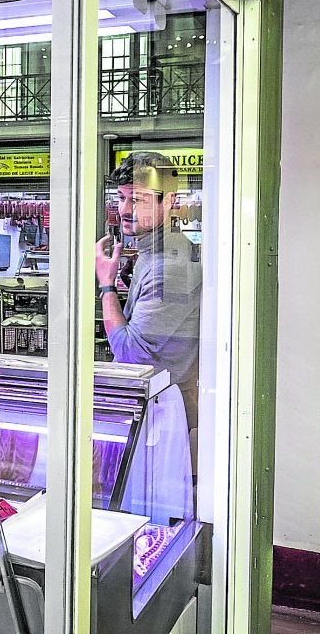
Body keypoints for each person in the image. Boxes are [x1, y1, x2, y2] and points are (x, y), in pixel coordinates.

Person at [95, 152, 203, 431]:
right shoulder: (152, 251)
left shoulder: (169, 266)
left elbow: (130, 353)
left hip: (162, 412)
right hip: (155, 402)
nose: (125, 209)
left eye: (139, 199)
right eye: (121, 198)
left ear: (169, 201)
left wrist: (106, 285)